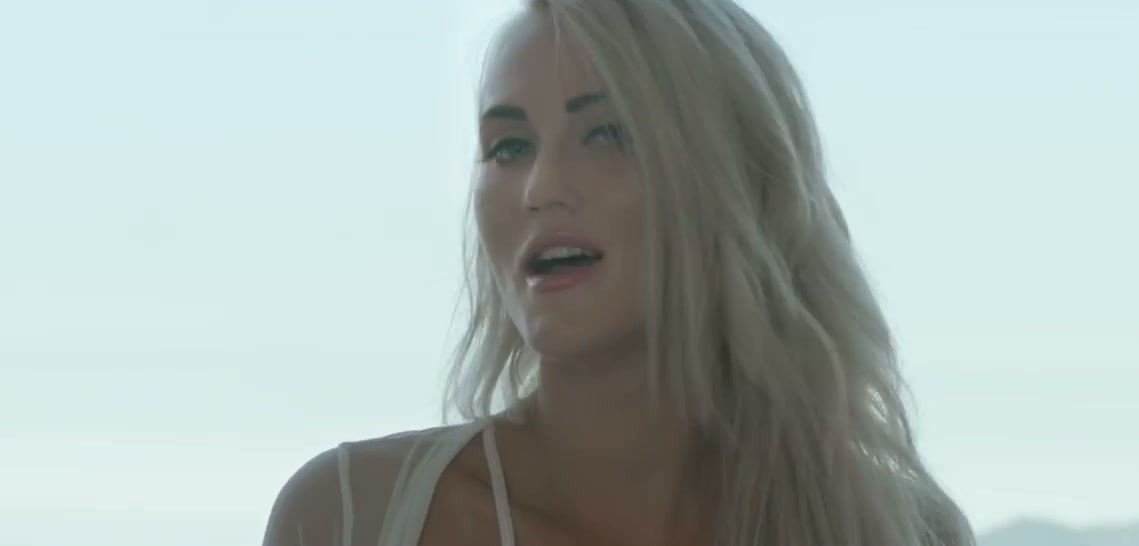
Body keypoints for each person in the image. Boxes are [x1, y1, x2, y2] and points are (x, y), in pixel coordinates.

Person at [263, 0, 974, 545]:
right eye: (508, 146)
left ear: (729, 181)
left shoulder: (898, 530)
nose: (541, 187)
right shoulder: (352, 517)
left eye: (607, 133)